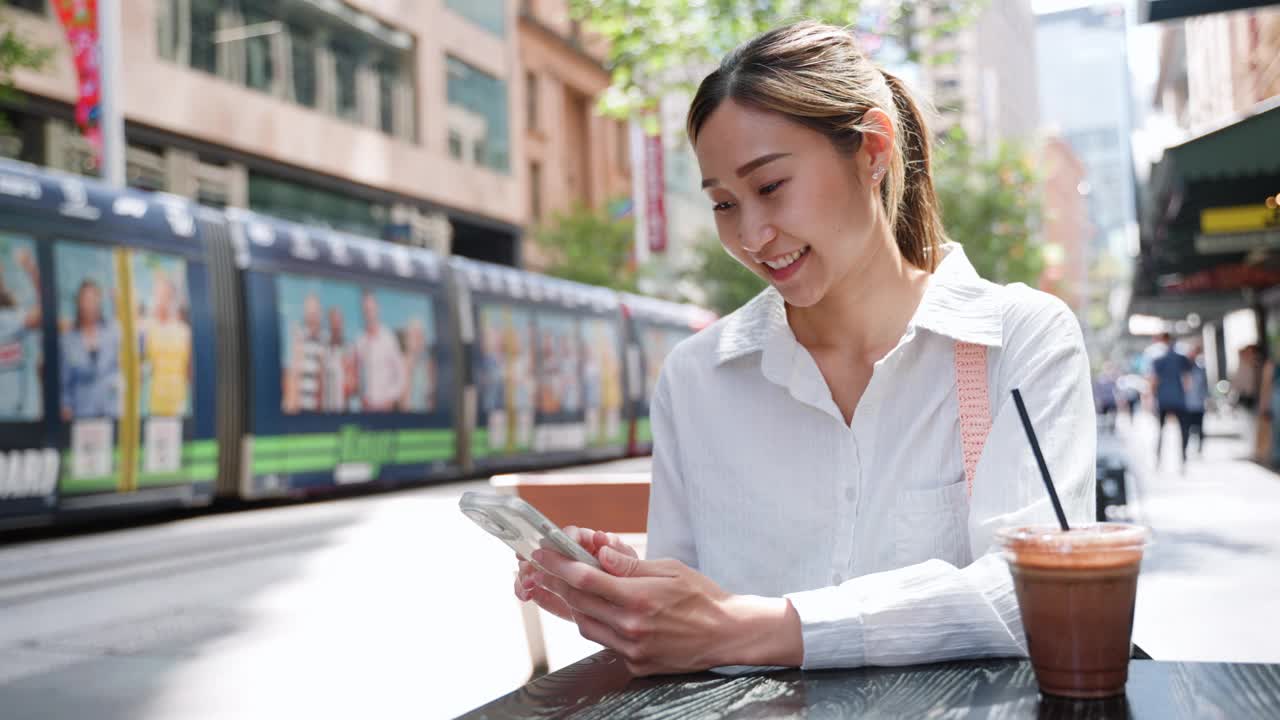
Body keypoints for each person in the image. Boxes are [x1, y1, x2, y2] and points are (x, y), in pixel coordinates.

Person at [513, 22, 1095, 676]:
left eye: (770, 187)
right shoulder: (698, 378)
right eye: (724, 203)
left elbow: (1040, 591)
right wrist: (626, 603)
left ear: (873, 149)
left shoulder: (1017, 339)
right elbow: (690, 629)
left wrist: (762, 628)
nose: (753, 235)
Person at [60, 279, 121, 420]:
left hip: (112, 410)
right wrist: (66, 405)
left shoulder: (112, 331)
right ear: (79, 303)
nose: (90, 304)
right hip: (82, 411)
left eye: (94, 299)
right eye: (86, 299)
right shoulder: (68, 339)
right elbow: (65, 380)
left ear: (99, 302)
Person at [140, 272, 193, 417]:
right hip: (153, 401)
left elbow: (190, 370)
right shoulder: (146, 328)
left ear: (172, 298)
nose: (161, 300)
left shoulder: (183, 331)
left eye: (166, 295)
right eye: (158, 295)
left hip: (179, 401)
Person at [0, 246, 41, 420]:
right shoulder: (9, 319)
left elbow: (43, 313)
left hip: (22, 418)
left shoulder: (12, 316)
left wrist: (31, 269)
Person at [355, 290, 406, 412]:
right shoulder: (360, 341)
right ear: (363, 312)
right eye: (366, 310)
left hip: (385, 408)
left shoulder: (388, 338)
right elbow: (357, 376)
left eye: (371, 309)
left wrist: (390, 399)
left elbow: (401, 375)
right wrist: (362, 400)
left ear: (377, 309)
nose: (369, 313)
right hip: (366, 409)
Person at [1148, 332, 1191, 468]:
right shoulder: (1181, 358)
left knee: (1161, 430)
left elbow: (1154, 381)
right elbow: (1187, 379)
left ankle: (1158, 458)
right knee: (1183, 430)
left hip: (1163, 398)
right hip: (1179, 398)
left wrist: (1152, 397)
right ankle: (1183, 457)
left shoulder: (1158, 359)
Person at [284, 293, 326, 413]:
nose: (312, 315)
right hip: (299, 410)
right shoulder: (298, 339)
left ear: (320, 313)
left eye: (315, 311)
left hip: (318, 411)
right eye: (309, 311)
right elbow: (291, 375)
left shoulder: (325, 340)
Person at [323, 307, 355, 413]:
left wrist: (349, 379)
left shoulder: (349, 348)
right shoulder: (324, 349)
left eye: (339, 321)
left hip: (344, 410)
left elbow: (354, 386)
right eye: (333, 322)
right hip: (326, 410)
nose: (336, 325)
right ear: (329, 324)